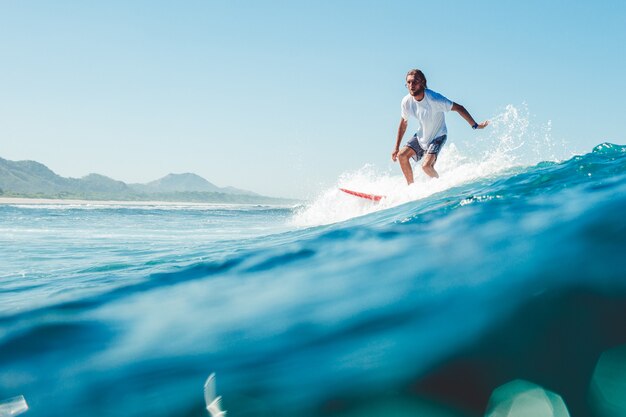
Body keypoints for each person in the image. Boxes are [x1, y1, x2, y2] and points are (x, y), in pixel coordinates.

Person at [392, 69, 489, 184]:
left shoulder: (434, 99)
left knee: (426, 166)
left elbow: (459, 108)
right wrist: (396, 147)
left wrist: (475, 125)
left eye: (414, 82)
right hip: (422, 136)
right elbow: (404, 123)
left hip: (438, 135)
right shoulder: (406, 102)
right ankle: (411, 188)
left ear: (422, 82)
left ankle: (441, 186)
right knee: (402, 156)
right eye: (408, 82)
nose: (411, 85)